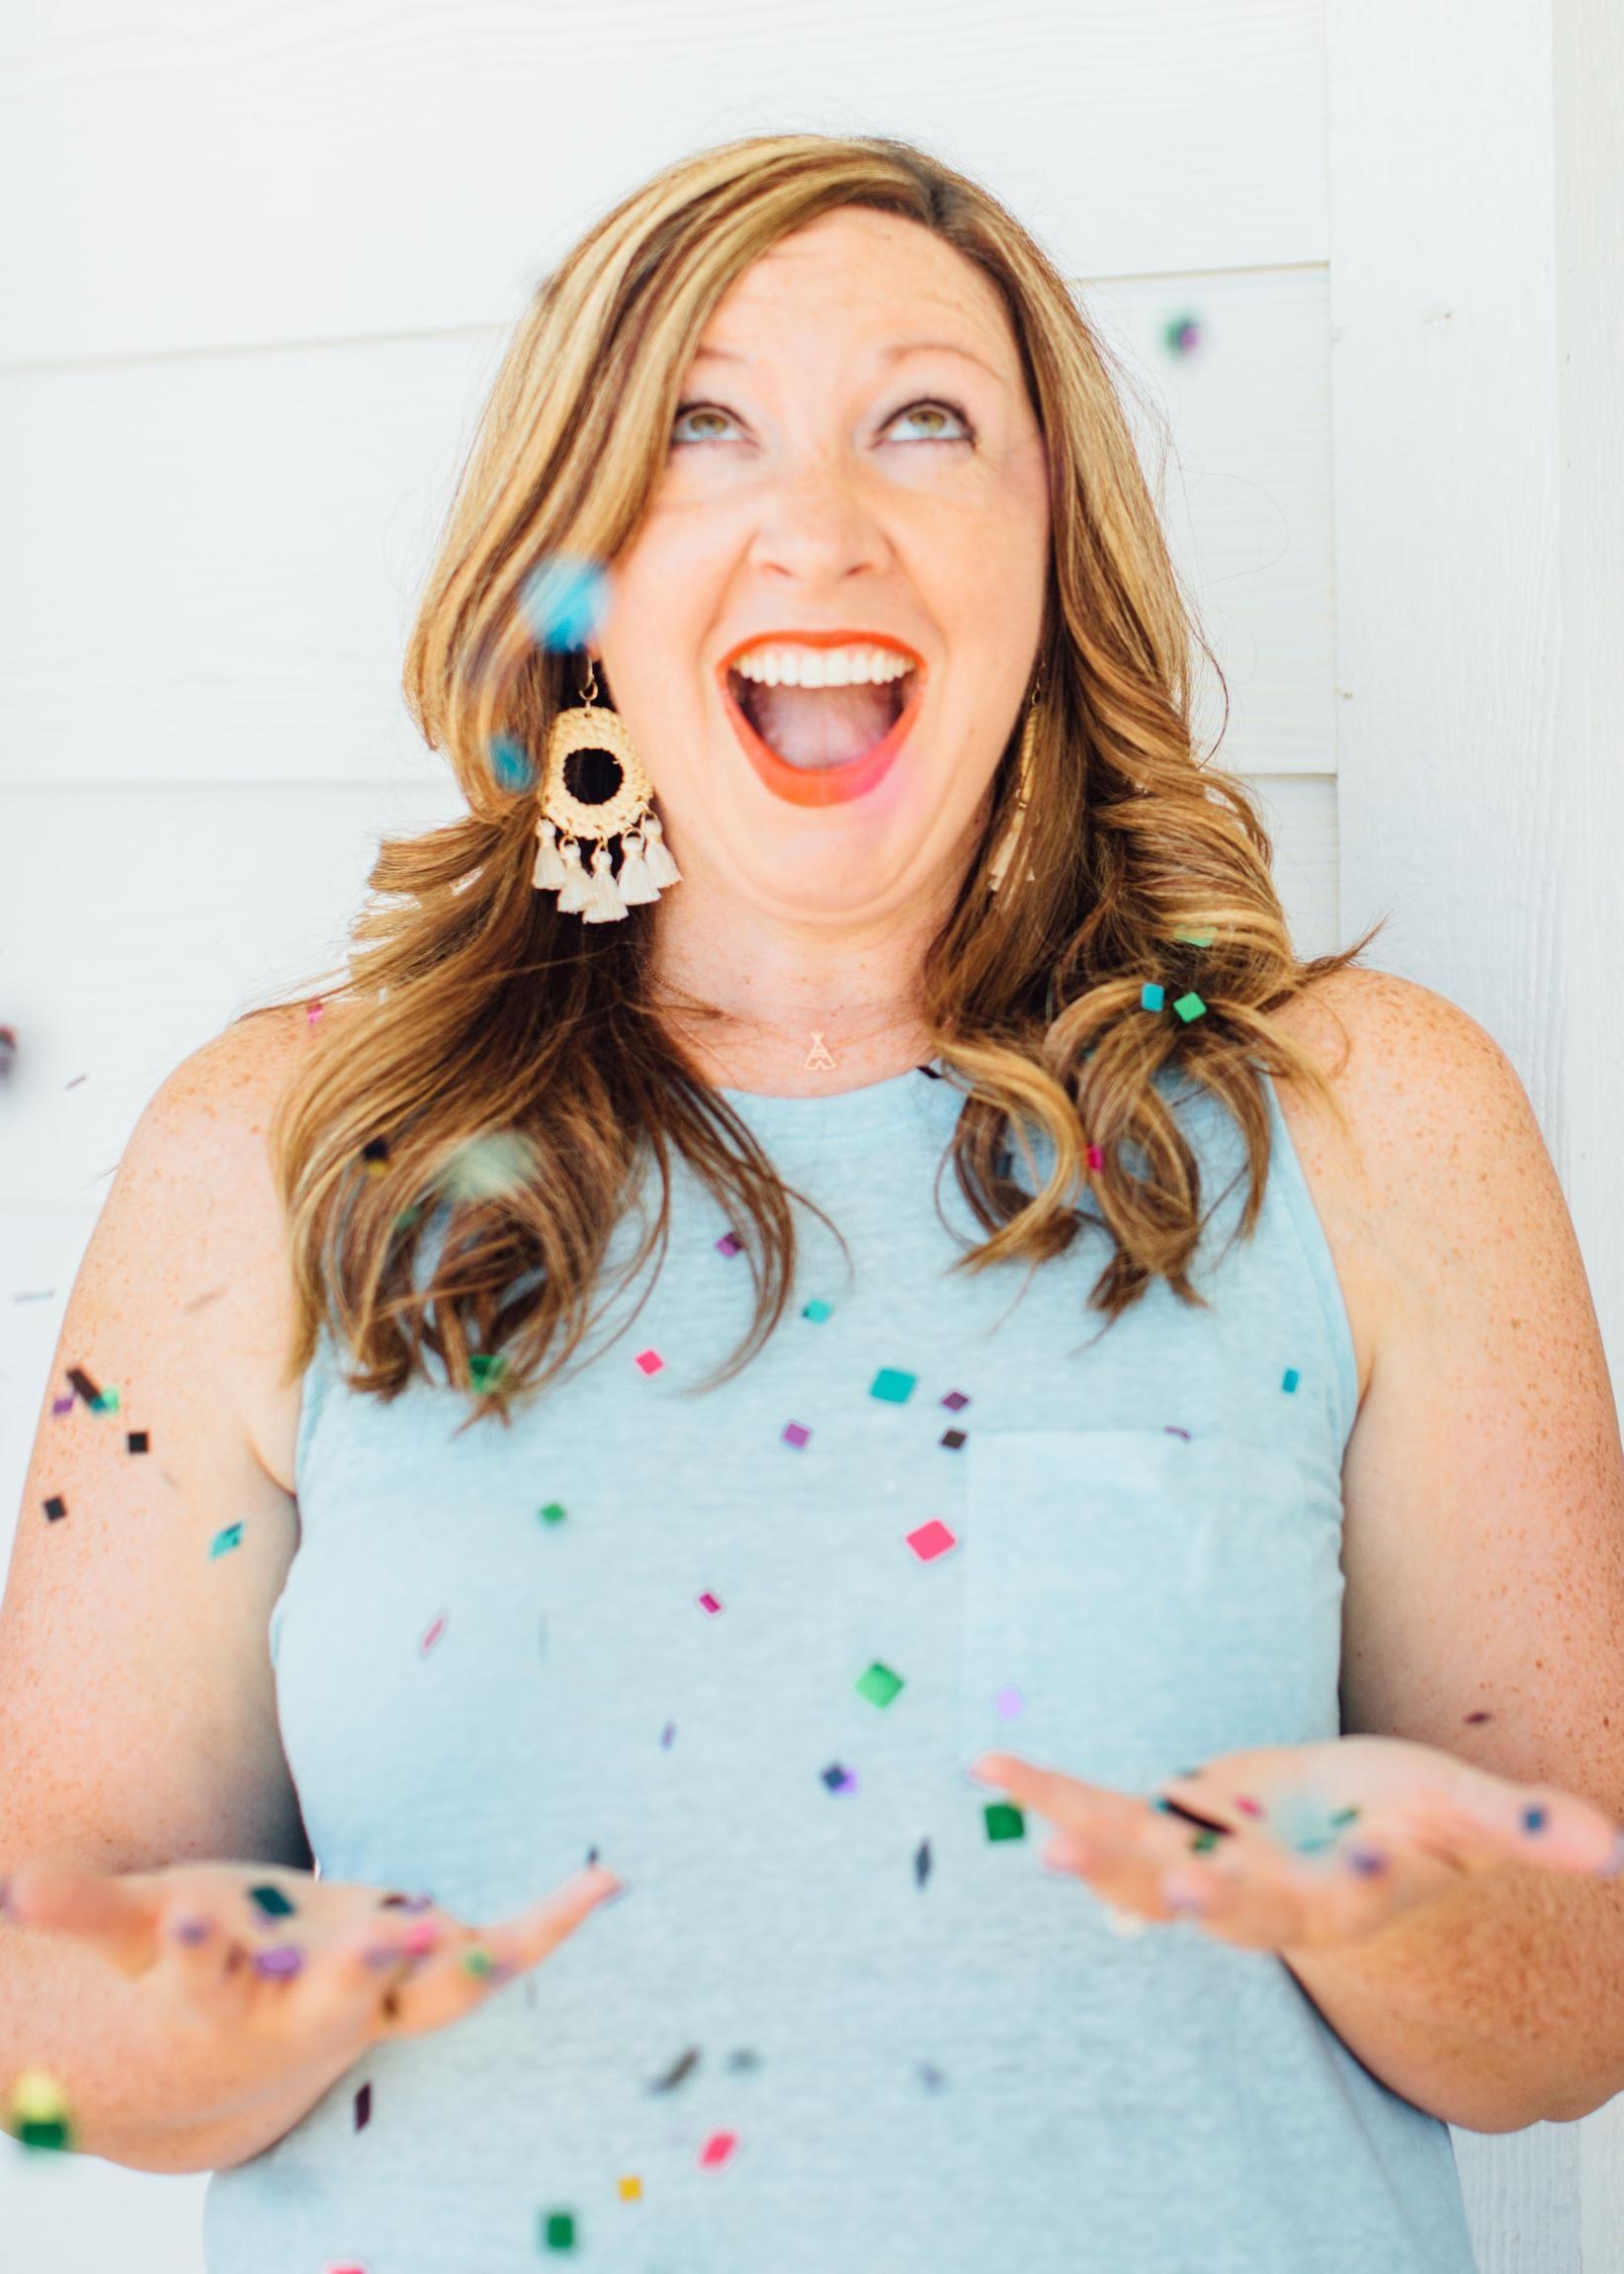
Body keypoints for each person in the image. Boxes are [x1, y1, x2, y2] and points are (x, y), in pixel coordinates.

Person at [4, 131, 1623, 2274]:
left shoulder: (1374, 1117)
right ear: (575, 574)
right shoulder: (269, 1150)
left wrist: (1387, 1895)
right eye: (703, 426)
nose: (821, 521)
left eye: (926, 420)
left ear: (1053, 548)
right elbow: (43, 1988)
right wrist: (201, 2008)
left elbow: (1577, 2010)